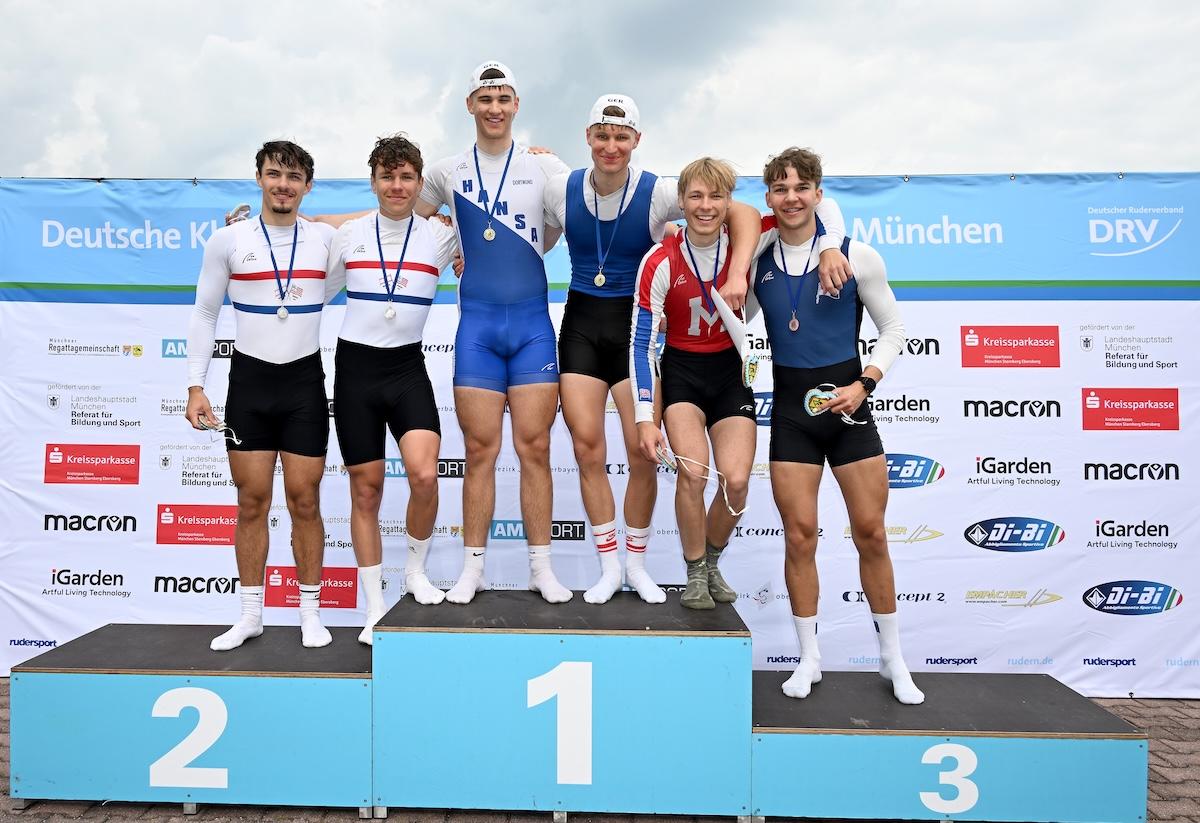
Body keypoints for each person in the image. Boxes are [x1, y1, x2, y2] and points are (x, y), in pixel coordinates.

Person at [747, 147, 923, 704]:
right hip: (792, 416)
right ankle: (809, 658)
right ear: (768, 198)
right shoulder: (757, 259)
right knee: (800, 537)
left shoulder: (855, 255)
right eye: (780, 189)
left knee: (871, 533)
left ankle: (893, 659)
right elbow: (732, 313)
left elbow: (894, 329)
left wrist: (864, 384)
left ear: (819, 194)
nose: (791, 198)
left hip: (850, 410)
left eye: (801, 187)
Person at [413, 61, 572, 605]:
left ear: (516, 105)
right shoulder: (446, 171)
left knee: (536, 448)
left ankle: (541, 569)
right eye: (485, 99)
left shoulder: (543, 166)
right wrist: (448, 236)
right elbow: (402, 220)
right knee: (479, 452)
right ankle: (472, 569)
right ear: (470, 106)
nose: (495, 108)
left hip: (532, 328)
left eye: (504, 98)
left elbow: (571, 220)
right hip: (477, 330)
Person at [185, 141, 337, 651]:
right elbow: (205, 313)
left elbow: (382, 222)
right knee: (251, 501)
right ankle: (250, 615)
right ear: (258, 178)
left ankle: (310, 614)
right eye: (274, 174)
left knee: (305, 501)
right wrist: (195, 385)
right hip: (249, 384)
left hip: (303, 384)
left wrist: (442, 226)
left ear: (308, 186)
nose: (283, 185)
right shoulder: (228, 239)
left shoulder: (324, 240)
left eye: (293, 177)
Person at [324, 134, 459, 644]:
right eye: (388, 176)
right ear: (374, 181)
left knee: (424, 475)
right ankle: (375, 606)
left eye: (406, 177)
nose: (397, 186)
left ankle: (415, 574)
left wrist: (540, 156)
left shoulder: (440, 235)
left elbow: (509, 230)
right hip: (356, 371)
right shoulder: (349, 234)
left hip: (406, 369)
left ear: (420, 183)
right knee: (367, 490)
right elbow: (302, 245)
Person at [628, 158, 760, 610]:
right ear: (680, 203)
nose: (706, 206)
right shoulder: (659, 260)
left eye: (716, 196)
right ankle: (695, 570)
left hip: (730, 373)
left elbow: (812, 218)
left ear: (729, 202)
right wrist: (645, 418)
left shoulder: (745, 247)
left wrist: (831, 248)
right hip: (683, 372)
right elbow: (641, 344)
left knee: (736, 481)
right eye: (696, 196)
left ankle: (713, 559)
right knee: (693, 472)